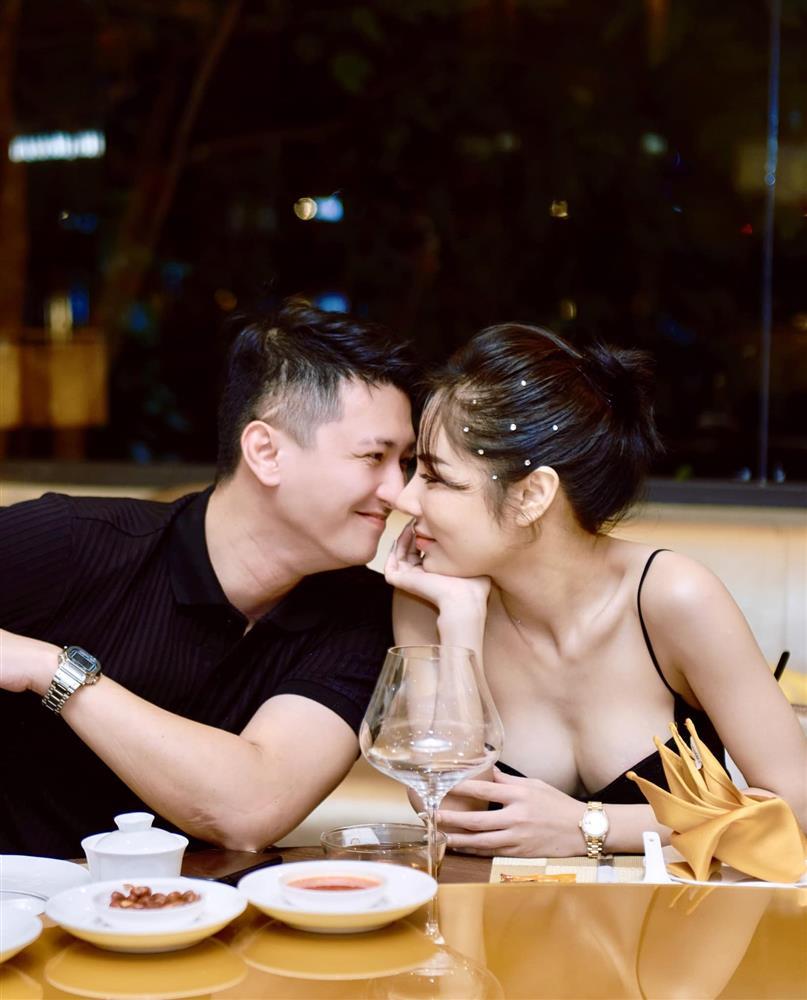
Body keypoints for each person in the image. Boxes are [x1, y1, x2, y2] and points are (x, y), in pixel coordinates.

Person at [0, 300, 417, 859]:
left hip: (198, 909)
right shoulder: (70, 542)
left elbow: (251, 810)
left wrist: (54, 670)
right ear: (266, 452)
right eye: (374, 457)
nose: (400, 492)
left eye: (405, 462)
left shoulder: (362, 613)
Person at [386, 322, 806, 857]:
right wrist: (461, 630)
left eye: (436, 478)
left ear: (530, 496)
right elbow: (452, 817)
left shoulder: (672, 598)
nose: (403, 499)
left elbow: (796, 806)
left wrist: (588, 826)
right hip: (502, 910)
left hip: (676, 909)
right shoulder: (430, 601)